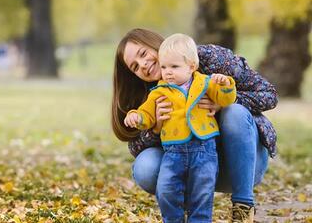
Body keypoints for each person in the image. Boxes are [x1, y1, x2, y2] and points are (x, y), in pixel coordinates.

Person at [111, 28, 278, 222]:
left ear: (155, 43)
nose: (143, 65)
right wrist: (155, 126)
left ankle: (243, 205)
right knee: (145, 167)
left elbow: (269, 94)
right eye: (135, 67)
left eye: (143, 54)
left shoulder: (206, 58)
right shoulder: (151, 92)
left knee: (235, 113)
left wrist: (224, 103)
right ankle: (190, 211)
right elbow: (135, 146)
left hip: (243, 164)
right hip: (190, 165)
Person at [124, 33, 237, 222]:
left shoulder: (204, 83)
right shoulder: (159, 92)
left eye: (174, 67)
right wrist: (136, 116)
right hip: (173, 152)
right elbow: (147, 115)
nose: (167, 72)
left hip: (204, 149)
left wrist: (226, 85)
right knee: (166, 188)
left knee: (202, 191)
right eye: (164, 67)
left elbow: (226, 99)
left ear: (191, 66)